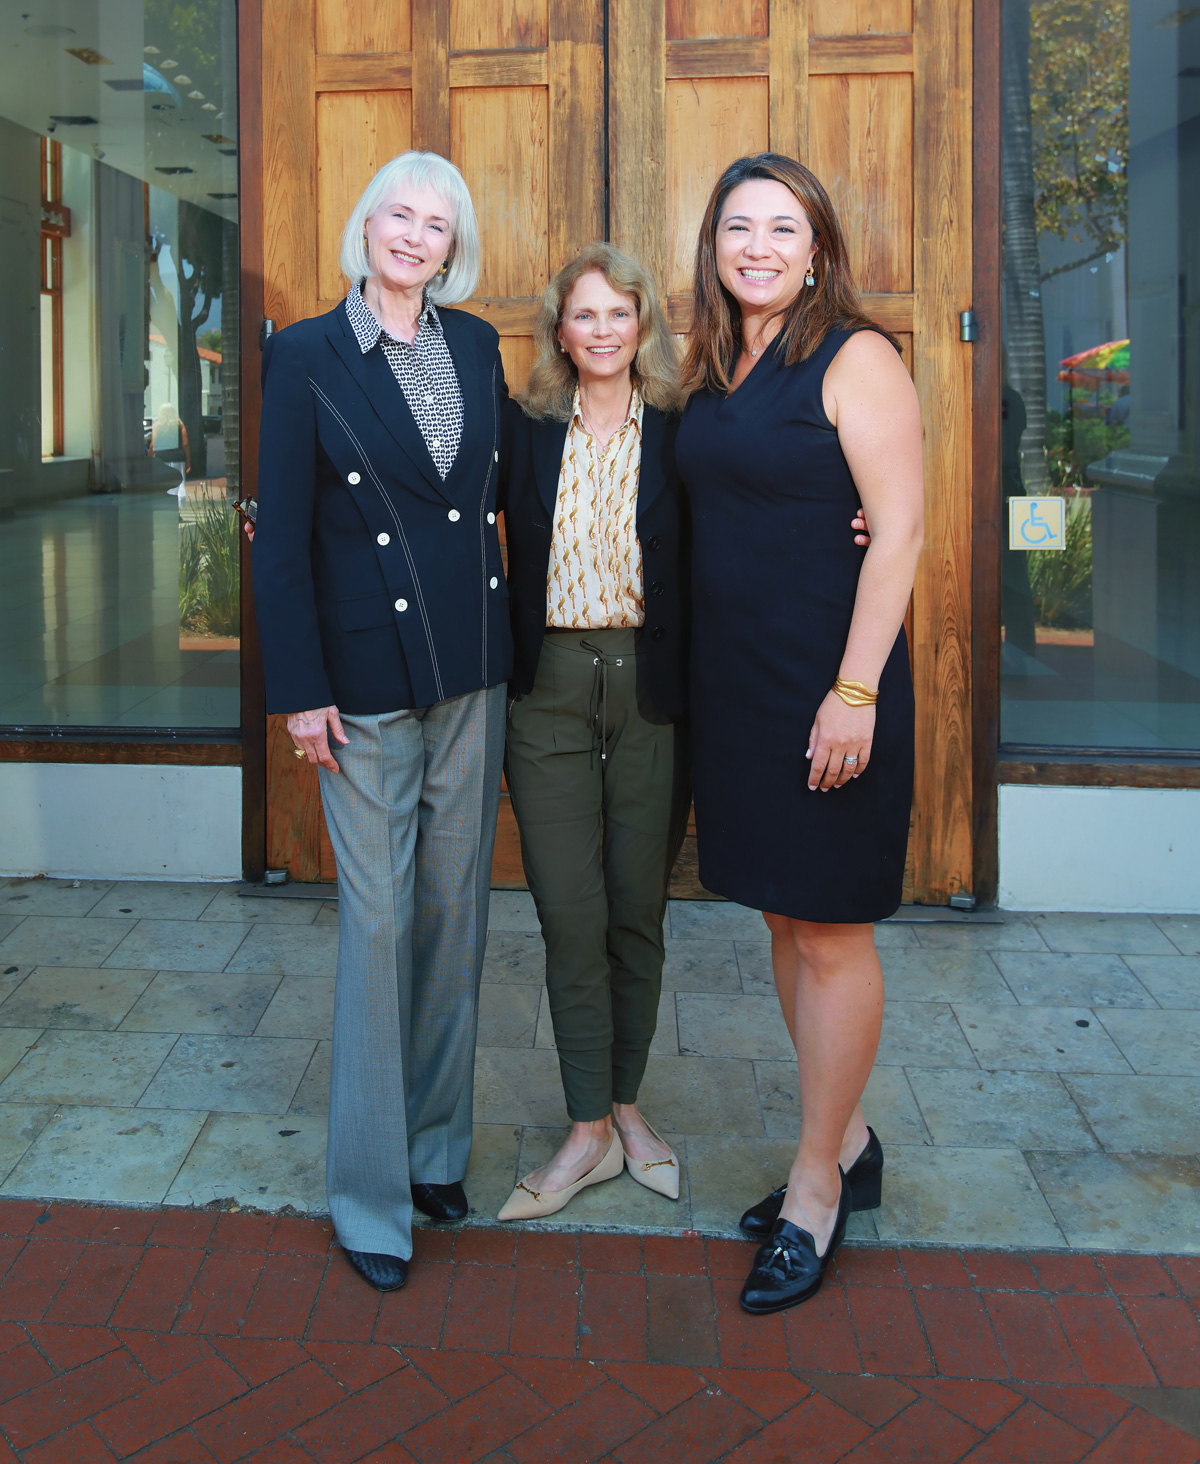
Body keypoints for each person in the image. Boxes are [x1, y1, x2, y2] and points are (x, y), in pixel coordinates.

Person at [251, 150, 511, 1293]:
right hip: (358, 683)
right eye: (398, 215)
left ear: (454, 247)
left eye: (437, 224)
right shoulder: (305, 353)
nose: (415, 236)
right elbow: (280, 538)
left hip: (473, 668)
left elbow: (526, 487)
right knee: (376, 921)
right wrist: (298, 689)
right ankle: (368, 1195)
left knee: (456, 913)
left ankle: (436, 1151)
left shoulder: (476, 346)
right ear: (364, 227)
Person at [675, 153, 922, 1316]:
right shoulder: (722, 362)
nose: (759, 245)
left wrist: (857, 693)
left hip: (831, 682)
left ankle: (817, 1183)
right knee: (784, 913)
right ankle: (852, 1133)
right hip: (742, 689)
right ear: (714, 245)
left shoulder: (856, 354)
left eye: (783, 226)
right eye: (739, 226)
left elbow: (905, 531)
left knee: (831, 932)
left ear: (817, 246)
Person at [496, 244, 691, 1219]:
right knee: (568, 911)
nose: (604, 330)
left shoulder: (687, 432)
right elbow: (439, 510)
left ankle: (627, 1109)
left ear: (643, 324)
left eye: (621, 313)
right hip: (550, 688)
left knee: (633, 909)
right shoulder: (525, 430)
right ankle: (585, 1128)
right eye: (586, 315)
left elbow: (751, 521)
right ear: (560, 331)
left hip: (650, 686)